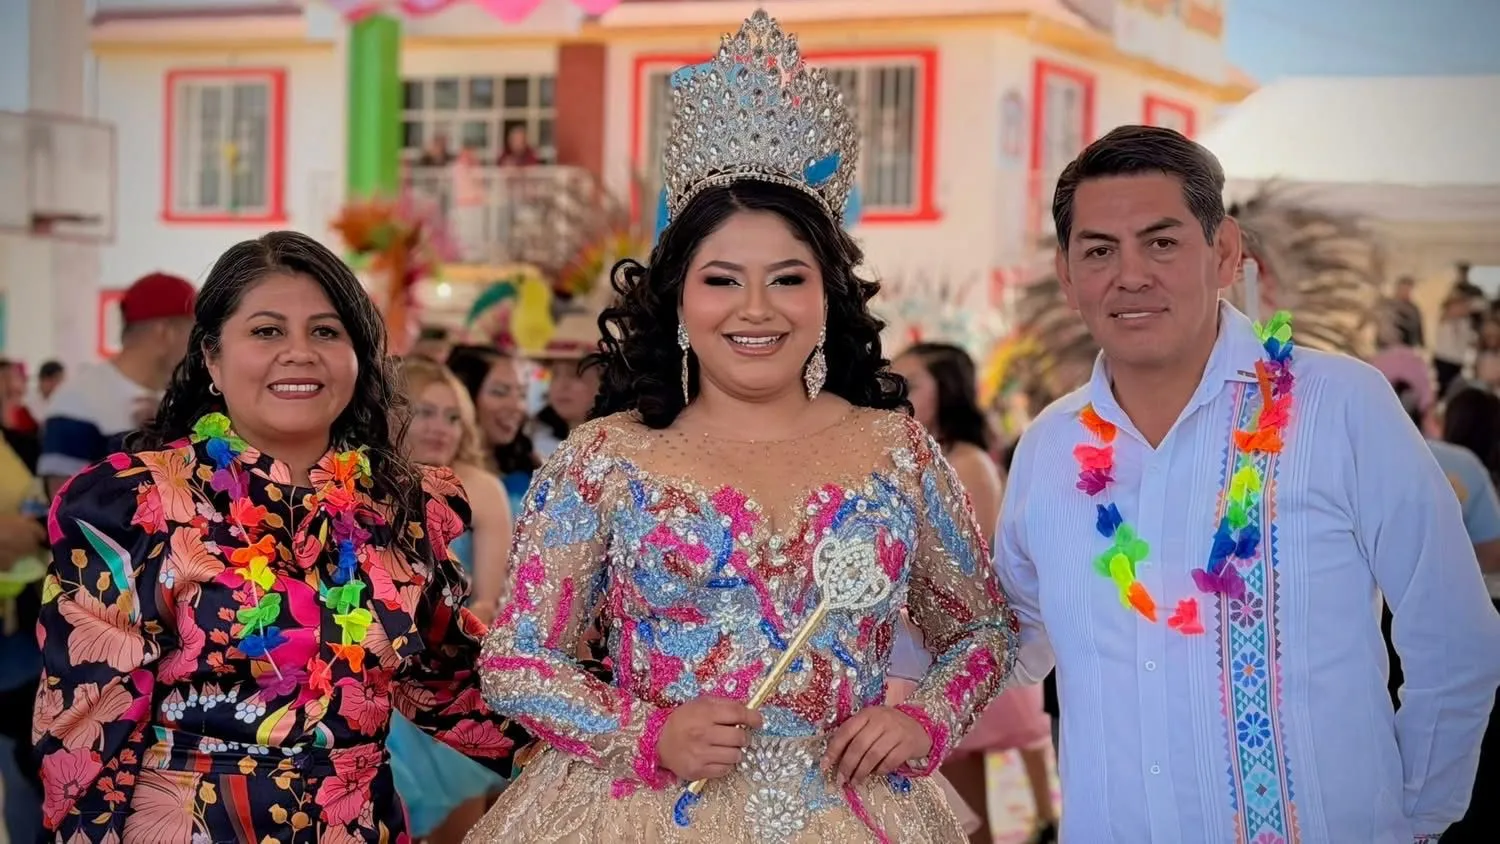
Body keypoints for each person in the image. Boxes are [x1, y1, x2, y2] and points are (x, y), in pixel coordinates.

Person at [465, 11, 1017, 842]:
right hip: (646, 813)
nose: (756, 309)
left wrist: (924, 720)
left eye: (787, 279)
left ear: (826, 297)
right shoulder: (607, 458)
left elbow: (981, 629)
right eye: (722, 280)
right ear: (679, 301)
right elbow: (515, 660)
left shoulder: (896, 452)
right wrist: (646, 732)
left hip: (852, 811)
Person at [992, 125, 1500, 843]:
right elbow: (1013, 642)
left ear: (1225, 252)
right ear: (1068, 277)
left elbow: (1453, 637)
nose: (1130, 275)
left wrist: (1412, 818)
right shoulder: (1049, 446)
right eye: (1099, 250)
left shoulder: (1341, 407)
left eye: (1161, 242)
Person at [32, 231, 534, 843]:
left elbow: (452, 682)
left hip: (357, 825)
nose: (300, 352)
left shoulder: (399, 506)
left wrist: (608, 730)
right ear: (213, 358)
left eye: (325, 332)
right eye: (267, 331)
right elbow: (84, 728)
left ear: (358, 358)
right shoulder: (137, 504)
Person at [892, 342, 1057, 844]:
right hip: (928, 643)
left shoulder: (967, 462)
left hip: (966, 639)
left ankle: (1047, 823)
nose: (898, 391)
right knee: (960, 794)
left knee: (989, 781)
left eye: (913, 382)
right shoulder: (903, 458)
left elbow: (977, 565)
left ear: (947, 390)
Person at [387, 356, 513, 843]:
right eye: (426, 412)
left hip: (451, 663)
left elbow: (488, 601)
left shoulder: (480, 488)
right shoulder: (369, 481)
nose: (441, 427)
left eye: (453, 416)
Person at [40, 271, 196, 496]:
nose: (199, 344)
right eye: (193, 330)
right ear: (166, 333)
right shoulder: (77, 400)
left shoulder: (183, 401)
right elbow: (65, 505)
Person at [446, 344, 539, 517]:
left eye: (522, 394)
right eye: (500, 392)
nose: (517, 406)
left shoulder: (531, 470)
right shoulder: (438, 475)